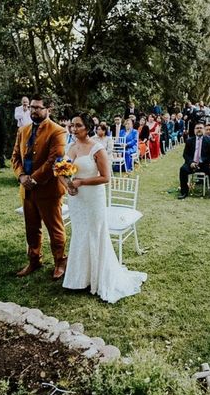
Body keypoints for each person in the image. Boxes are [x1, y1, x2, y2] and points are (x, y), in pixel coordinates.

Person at [62, 112, 147, 303]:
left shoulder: (97, 148)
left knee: (94, 233)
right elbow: (62, 169)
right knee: (80, 233)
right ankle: (80, 278)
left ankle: (97, 277)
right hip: (76, 199)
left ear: (87, 128)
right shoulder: (71, 147)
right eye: (72, 126)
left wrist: (81, 182)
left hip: (92, 198)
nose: (74, 129)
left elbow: (106, 177)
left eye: (78, 126)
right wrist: (67, 184)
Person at [11, 94, 67, 280]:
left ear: (48, 110)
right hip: (26, 189)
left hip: (48, 189)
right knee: (31, 227)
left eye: (38, 108)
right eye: (32, 107)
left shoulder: (57, 131)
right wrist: (21, 176)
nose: (34, 110)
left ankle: (60, 262)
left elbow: (54, 160)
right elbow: (15, 157)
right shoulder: (23, 130)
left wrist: (33, 179)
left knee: (54, 228)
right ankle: (34, 260)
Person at [178, 122, 210, 200]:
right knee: (183, 170)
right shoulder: (189, 140)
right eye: (197, 128)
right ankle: (184, 192)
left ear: (204, 130)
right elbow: (185, 154)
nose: (199, 130)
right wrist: (191, 162)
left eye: (201, 128)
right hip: (192, 163)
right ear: (194, 130)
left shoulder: (209, 140)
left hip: (205, 164)